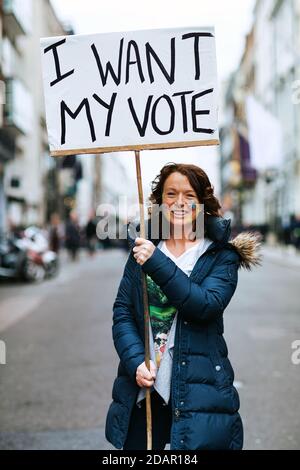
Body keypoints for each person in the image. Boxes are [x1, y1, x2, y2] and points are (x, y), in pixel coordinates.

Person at [105, 163, 261, 450]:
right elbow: (123, 313)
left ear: (202, 203)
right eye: (171, 193)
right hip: (144, 392)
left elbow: (205, 305)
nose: (179, 202)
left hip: (197, 393)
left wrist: (155, 262)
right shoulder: (145, 247)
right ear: (160, 201)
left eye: (189, 195)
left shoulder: (219, 256)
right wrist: (135, 361)